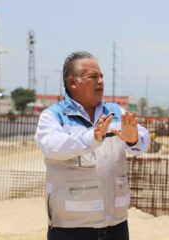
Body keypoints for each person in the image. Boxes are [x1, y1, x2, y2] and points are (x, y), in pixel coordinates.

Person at [35, 51, 150, 240]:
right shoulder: (53, 116)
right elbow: (53, 147)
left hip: (116, 226)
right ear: (73, 83)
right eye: (93, 77)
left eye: (102, 76)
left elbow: (143, 141)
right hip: (70, 229)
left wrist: (133, 138)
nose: (101, 81)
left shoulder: (114, 112)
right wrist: (92, 138)